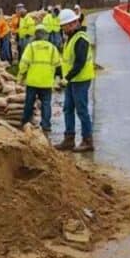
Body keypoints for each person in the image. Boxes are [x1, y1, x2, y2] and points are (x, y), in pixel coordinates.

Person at [55, 8, 95, 152]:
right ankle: (69, 138)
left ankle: (87, 140)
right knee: (68, 108)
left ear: (72, 24)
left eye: (64, 26)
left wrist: (67, 78)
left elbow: (80, 62)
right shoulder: (71, 38)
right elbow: (67, 60)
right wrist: (60, 74)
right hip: (72, 80)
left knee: (81, 110)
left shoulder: (81, 39)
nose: (63, 29)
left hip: (80, 80)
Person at [18, 24, 61, 135]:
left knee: (29, 102)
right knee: (46, 104)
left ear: (36, 34)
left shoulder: (31, 47)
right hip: (46, 82)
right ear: (45, 35)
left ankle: (26, 122)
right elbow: (58, 65)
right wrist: (58, 78)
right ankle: (46, 125)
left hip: (32, 81)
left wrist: (21, 75)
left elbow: (24, 63)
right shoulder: (52, 48)